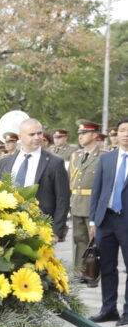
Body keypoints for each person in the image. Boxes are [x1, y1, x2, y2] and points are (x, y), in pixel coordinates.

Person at [0, 118, 70, 243]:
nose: (37, 137)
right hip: (8, 226)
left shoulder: (54, 163)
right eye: (32, 134)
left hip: (40, 229)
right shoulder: (6, 162)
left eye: (39, 133)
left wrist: (56, 232)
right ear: (20, 136)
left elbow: (63, 199)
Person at [88, 118, 128, 326]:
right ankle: (108, 308)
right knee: (107, 266)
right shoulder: (107, 159)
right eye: (122, 130)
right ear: (116, 134)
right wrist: (93, 220)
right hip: (106, 219)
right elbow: (97, 190)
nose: (125, 134)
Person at [69, 120, 102, 281]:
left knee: (93, 239)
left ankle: (92, 272)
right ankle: (79, 271)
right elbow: (71, 181)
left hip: (92, 203)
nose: (80, 136)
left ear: (94, 135)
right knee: (78, 238)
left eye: (85, 133)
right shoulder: (76, 155)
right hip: (76, 202)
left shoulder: (102, 155)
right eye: (79, 134)